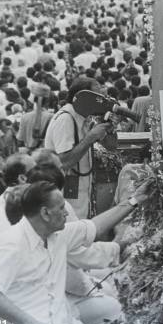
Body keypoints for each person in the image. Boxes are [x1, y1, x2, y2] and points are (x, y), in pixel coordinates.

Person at [0, 179, 150, 324]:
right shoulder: (13, 243)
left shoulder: (58, 234)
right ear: (45, 214)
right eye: (61, 208)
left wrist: (134, 200)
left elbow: (95, 227)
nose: (66, 213)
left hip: (58, 322)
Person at [44, 77, 110, 219]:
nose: (101, 102)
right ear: (83, 98)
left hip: (80, 194)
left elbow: (111, 146)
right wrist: (90, 138)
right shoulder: (66, 118)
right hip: (66, 196)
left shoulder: (83, 117)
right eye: (97, 98)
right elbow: (64, 162)